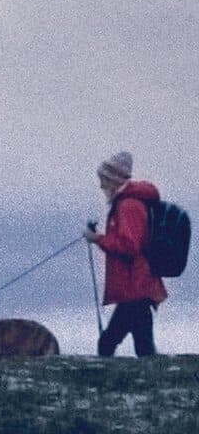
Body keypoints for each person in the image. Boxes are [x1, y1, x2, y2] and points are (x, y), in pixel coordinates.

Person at [85, 150, 167, 357]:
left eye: (103, 179)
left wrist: (98, 239)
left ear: (113, 179)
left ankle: (108, 386)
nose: (101, 185)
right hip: (137, 288)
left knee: (108, 343)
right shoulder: (128, 204)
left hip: (135, 288)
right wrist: (100, 238)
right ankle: (150, 384)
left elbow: (130, 247)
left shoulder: (128, 206)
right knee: (141, 347)